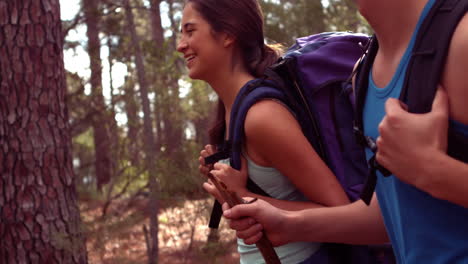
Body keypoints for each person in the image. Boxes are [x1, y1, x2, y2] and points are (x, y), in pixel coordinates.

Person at [223, 0, 468, 263]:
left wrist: (431, 170)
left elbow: (424, 176)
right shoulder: (364, 71)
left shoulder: (462, 40)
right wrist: (289, 224)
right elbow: (390, 215)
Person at [176, 0, 357, 263]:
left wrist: (242, 195)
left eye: (190, 31)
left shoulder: (262, 116)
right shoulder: (233, 109)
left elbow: (342, 212)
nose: (181, 45)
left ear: (227, 34)